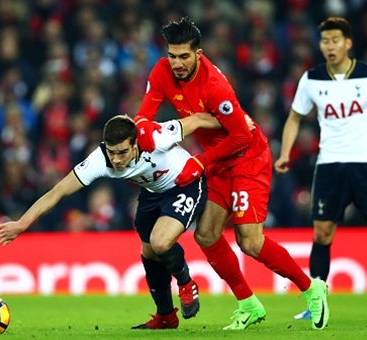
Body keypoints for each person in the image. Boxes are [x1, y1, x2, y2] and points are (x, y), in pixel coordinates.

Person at [134, 17, 329, 330]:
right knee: (206, 235)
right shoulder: (161, 72)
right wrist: (141, 131)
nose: (177, 63)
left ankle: (311, 288)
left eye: (184, 56)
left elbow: (242, 136)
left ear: (198, 54)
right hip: (218, 163)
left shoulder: (215, 87)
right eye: (172, 55)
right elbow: (144, 115)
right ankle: (248, 304)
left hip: (248, 159)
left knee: (249, 242)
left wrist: (201, 160)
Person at [0, 113, 226, 329]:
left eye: (122, 152)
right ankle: (165, 316)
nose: (116, 159)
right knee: (149, 253)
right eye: (112, 152)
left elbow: (196, 121)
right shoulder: (100, 160)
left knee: (161, 242)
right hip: (152, 193)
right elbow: (57, 192)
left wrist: (237, 123)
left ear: (135, 143)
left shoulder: (156, 136)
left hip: (185, 184)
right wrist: (21, 224)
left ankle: (186, 283)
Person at [274, 17, 367, 320]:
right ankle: (315, 304)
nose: (330, 46)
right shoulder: (311, 79)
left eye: (335, 40)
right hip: (329, 165)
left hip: (366, 163)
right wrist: (285, 152)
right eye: (325, 41)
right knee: (322, 234)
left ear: (348, 43)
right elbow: (294, 117)